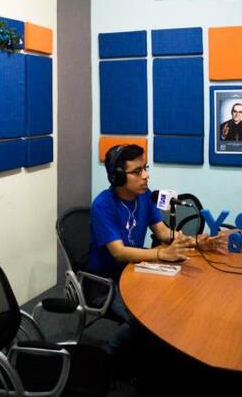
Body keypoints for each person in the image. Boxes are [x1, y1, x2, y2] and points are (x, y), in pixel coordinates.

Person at [88, 144, 226, 356]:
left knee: (170, 301)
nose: (146, 175)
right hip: (105, 281)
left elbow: (162, 231)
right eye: (137, 171)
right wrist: (161, 254)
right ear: (117, 177)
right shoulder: (102, 205)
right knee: (142, 318)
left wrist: (194, 241)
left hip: (134, 270)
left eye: (146, 168)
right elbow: (118, 252)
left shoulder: (143, 196)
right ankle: (106, 356)